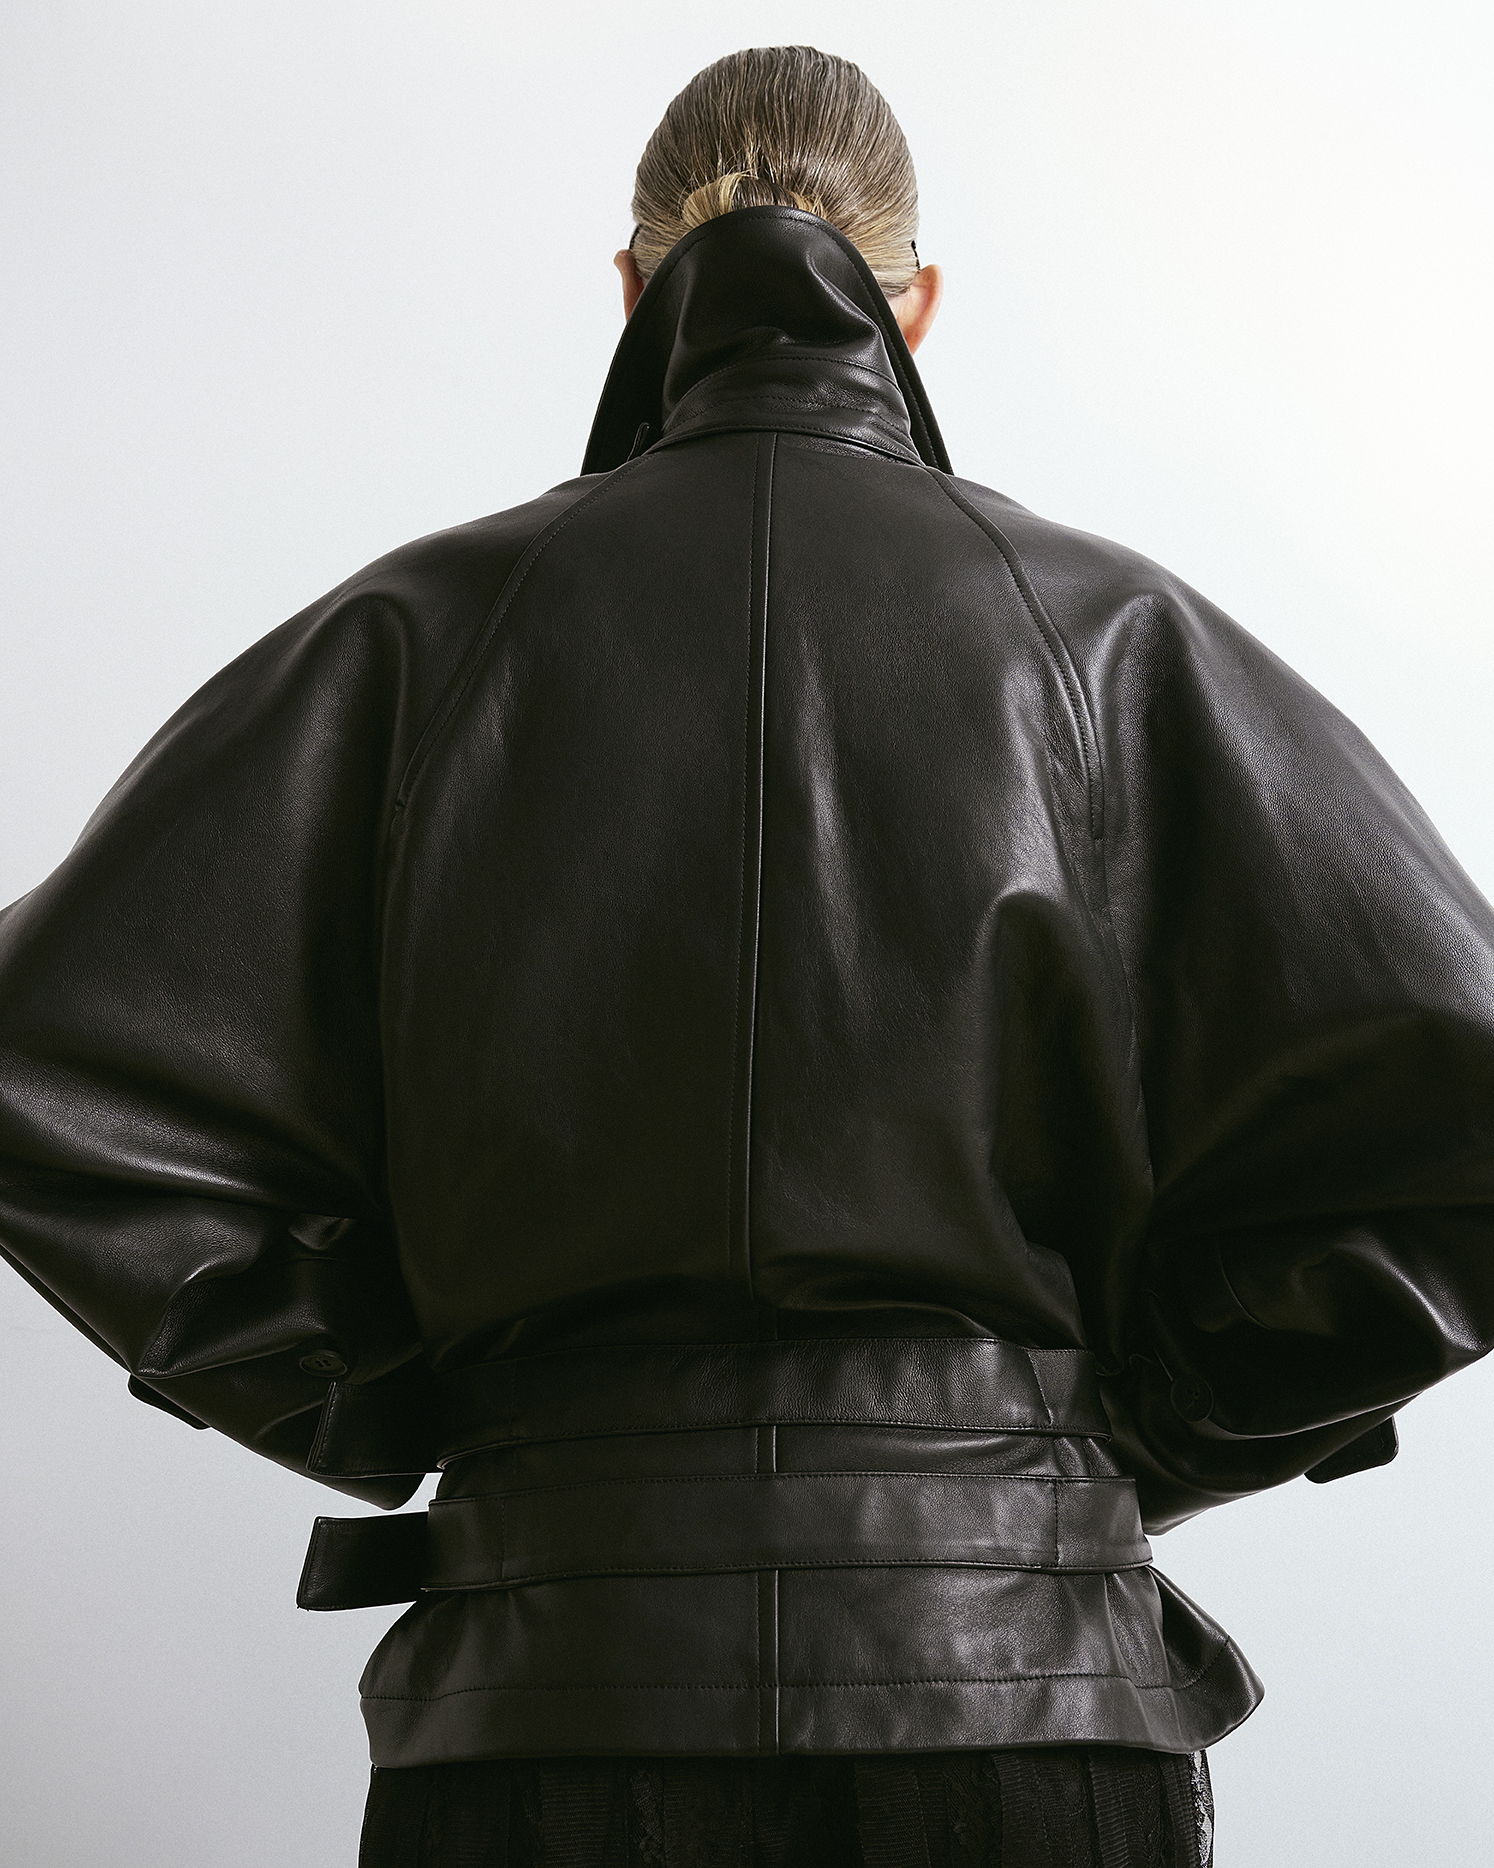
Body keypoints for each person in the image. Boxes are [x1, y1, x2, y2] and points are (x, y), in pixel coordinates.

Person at [3, 40, 1492, 1868]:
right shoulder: (1110, 640)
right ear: (914, 304)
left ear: (633, 291)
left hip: (547, 1694)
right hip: (1017, 1705)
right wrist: (1111, 1445)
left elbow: (45, 1076)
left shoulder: (417, 637)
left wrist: (396, 1401)